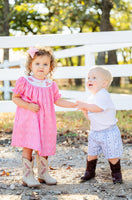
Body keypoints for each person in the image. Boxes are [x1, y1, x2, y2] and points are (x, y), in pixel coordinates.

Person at [11, 47, 77, 187]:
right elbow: (15, 98)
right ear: (30, 65)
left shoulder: (51, 85)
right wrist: (28, 105)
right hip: (29, 121)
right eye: (37, 63)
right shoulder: (25, 81)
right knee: (28, 146)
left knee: (45, 146)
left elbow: (57, 100)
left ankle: (43, 173)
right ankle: (27, 176)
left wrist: (73, 104)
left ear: (51, 67)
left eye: (45, 64)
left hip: (46, 121)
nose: (41, 67)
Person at [76, 66, 123, 184]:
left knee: (112, 155)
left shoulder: (103, 94)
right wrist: (85, 110)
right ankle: (90, 172)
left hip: (108, 131)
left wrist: (85, 105)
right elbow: (92, 116)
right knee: (91, 153)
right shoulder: (92, 97)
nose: (90, 80)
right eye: (88, 78)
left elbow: (98, 109)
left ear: (104, 83)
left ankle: (116, 174)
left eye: (94, 77)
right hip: (95, 132)